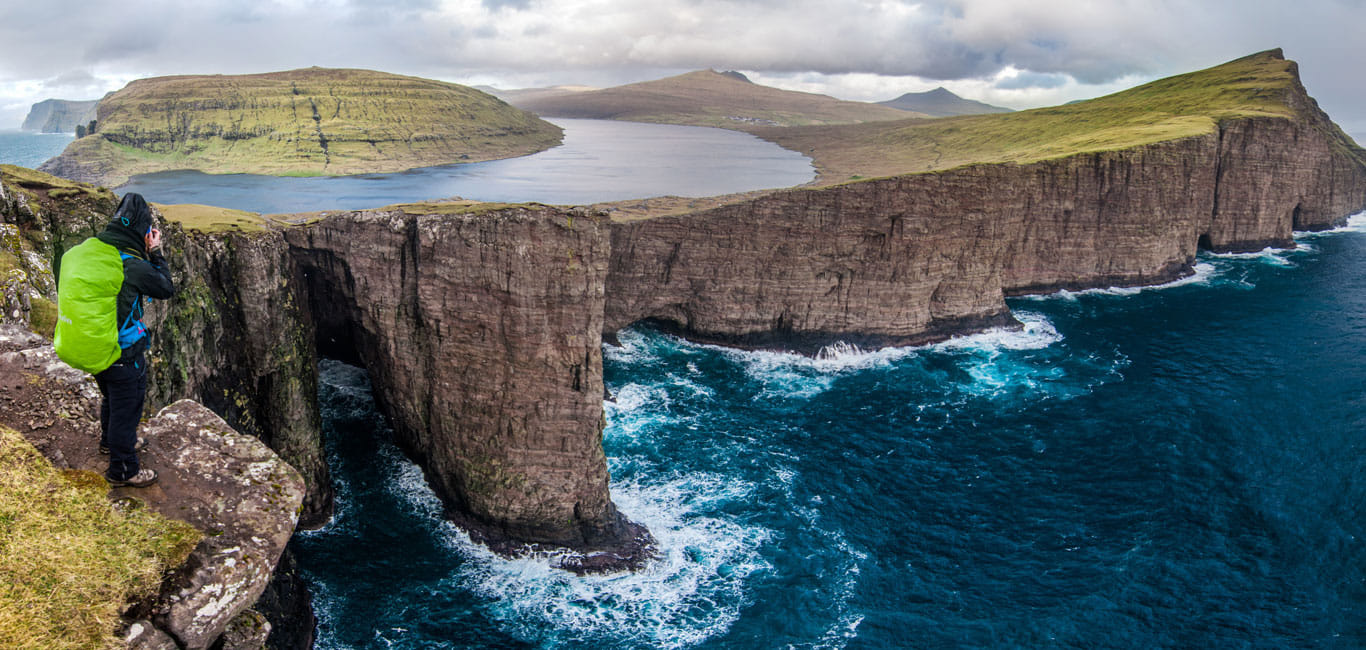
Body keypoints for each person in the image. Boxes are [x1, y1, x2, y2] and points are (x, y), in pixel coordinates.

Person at [59, 193, 175, 487]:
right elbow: (164, 287)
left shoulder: (89, 250)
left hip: (95, 346)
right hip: (122, 352)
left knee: (111, 399)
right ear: (142, 231)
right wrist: (156, 251)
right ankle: (124, 470)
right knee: (128, 408)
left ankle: (109, 444)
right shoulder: (130, 265)